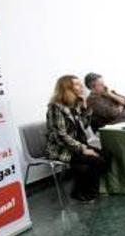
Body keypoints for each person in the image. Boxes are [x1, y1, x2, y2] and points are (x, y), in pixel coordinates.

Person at [46, 75, 109, 203]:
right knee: (95, 160)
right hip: (61, 149)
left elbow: (84, 125)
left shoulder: (74, 105)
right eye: (77, 85)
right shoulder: (55, 107)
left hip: (76, 145)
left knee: (107, 155)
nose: (81, 87)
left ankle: (83, 190)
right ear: (67, 88)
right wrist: (83, 149)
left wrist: (84, 107)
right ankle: (85, 193)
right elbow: (61, 135)